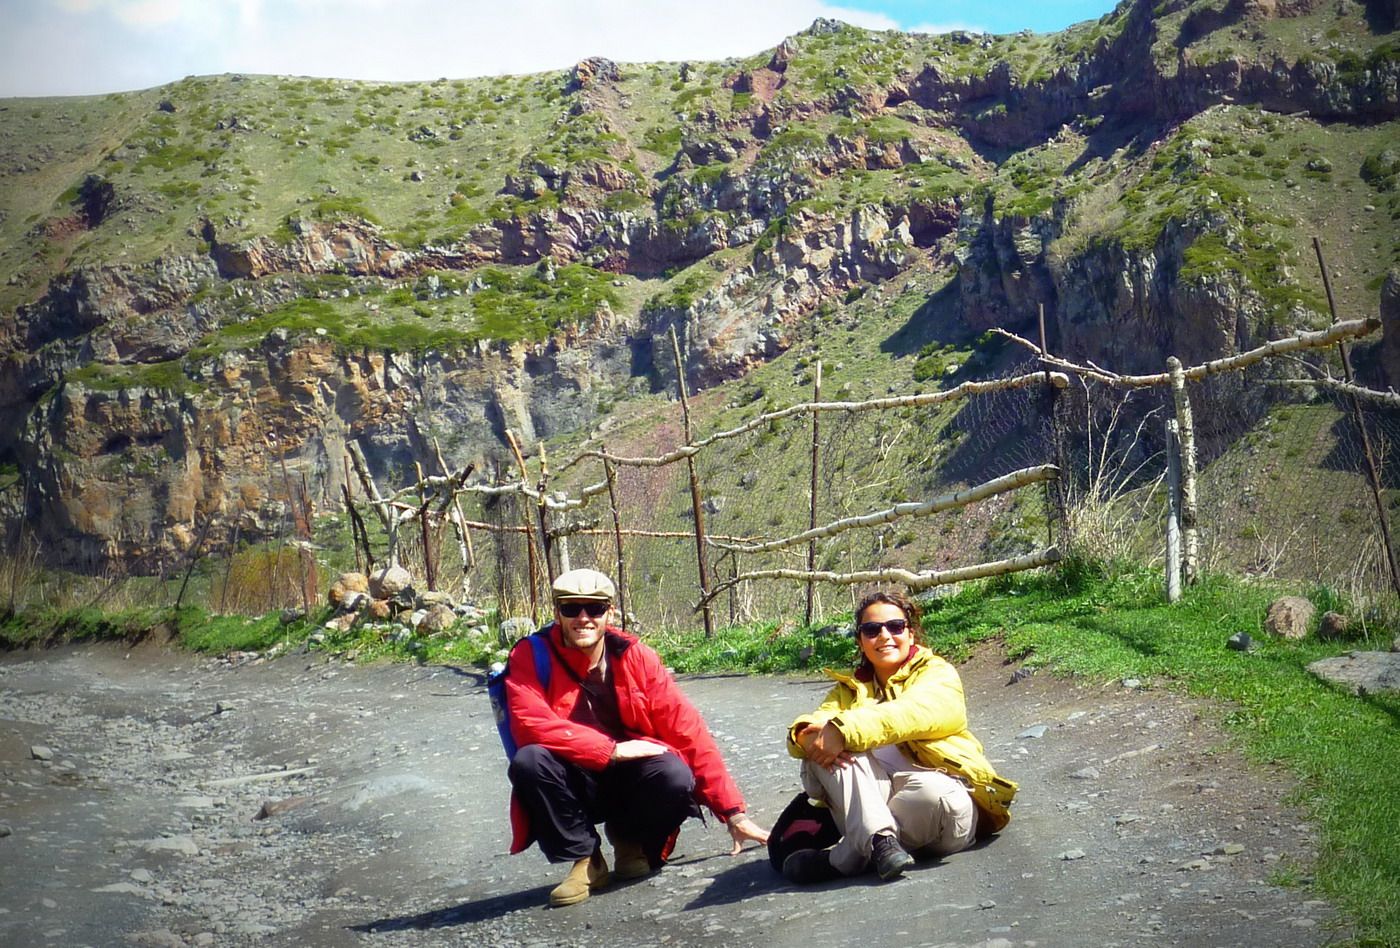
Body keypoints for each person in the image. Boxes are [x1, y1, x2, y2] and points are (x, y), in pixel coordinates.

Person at [503, 567, 770, 907]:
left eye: (594, 608)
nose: (583, 618)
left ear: (610, 613)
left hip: (627, 780)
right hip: (573, 778)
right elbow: (529, 724)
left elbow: (688, 731)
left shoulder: (636, 656)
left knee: (673, 773)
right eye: (571, 608)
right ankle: (587, 859)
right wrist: (610, 750)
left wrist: (733, 814)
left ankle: (630, 841)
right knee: (529, 762)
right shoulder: (530, 655)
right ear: (557, 613)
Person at [782, 589, 1017, 884]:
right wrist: (805, 738)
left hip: (936, 811)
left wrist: (842, 730)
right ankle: (882, 843)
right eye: (872, 630)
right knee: (827, 753)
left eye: (895, 626)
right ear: (860, 641)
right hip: (878, 804)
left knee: (934, 793)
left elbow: (913, 712)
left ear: (910, 633)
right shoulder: (849, 690)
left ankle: (843, 859)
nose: (884, 636)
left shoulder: (937, 673)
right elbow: (812, 726)